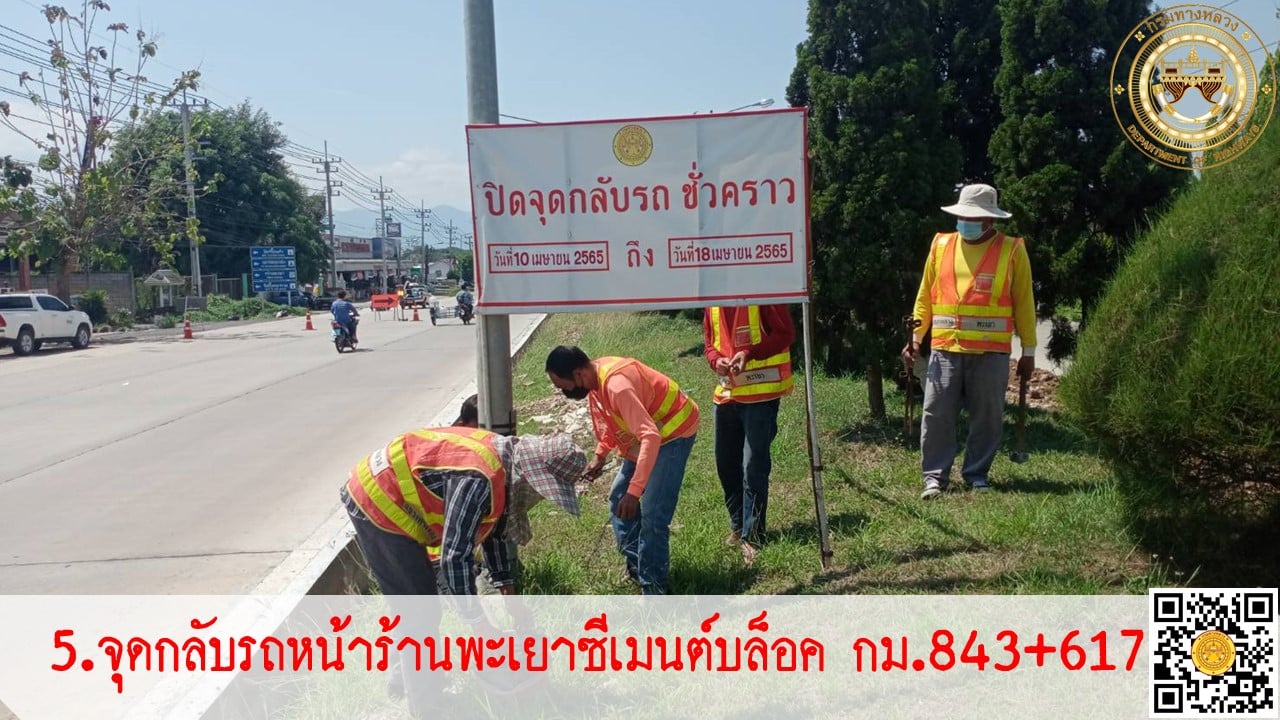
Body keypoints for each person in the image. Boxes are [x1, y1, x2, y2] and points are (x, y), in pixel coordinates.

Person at [903, 183, 1037, 500]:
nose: (966, 222)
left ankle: (977, 474)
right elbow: (925, 297)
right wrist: (915, 339)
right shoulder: (941, 245)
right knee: (936, 413)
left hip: (991, 352)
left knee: (987, 416)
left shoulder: (1012, 250)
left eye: (973, 218)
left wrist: (1028, 351)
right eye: (963, 216)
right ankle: (934, 477)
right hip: (945, 348)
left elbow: (1024, 302)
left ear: (990, 220)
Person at [545, 346, 699, 594]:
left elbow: (650, 436)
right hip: (649, 434)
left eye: (564, 386)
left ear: (578, 374)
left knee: (653, 516)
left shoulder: (617, 386)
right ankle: (640, 567)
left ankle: (655, 589)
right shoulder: (596, 380)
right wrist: (600, 455)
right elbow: (613, 419)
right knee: (619, 498)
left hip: (673, 433)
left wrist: (634, 492)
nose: (564, 393)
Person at [702, 305, 795, 563]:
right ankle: (738, 525)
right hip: (727, 394)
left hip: (761, 393)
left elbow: (785, 334)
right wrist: (715, 361)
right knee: (726, 464)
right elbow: (709, 344)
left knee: (753, 466)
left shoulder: (763, 292)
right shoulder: (711, 300)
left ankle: (753, 535)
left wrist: (748, 353)